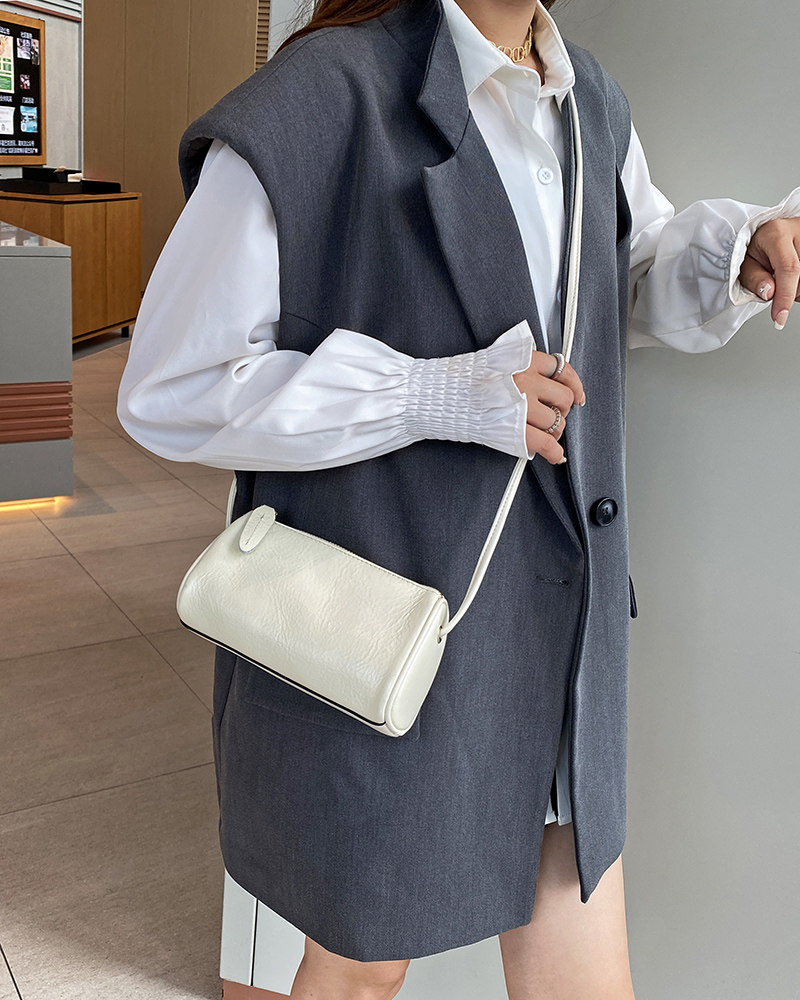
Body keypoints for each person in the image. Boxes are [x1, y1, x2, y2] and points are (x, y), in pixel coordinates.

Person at [117, 0, 800, 996]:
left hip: (557, 636)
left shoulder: (588, 99)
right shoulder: (326, 92)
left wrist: (735, 253)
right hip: (393, 624)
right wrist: (426, 393)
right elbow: (172, 383)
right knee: (360, 969)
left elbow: (615, 274)